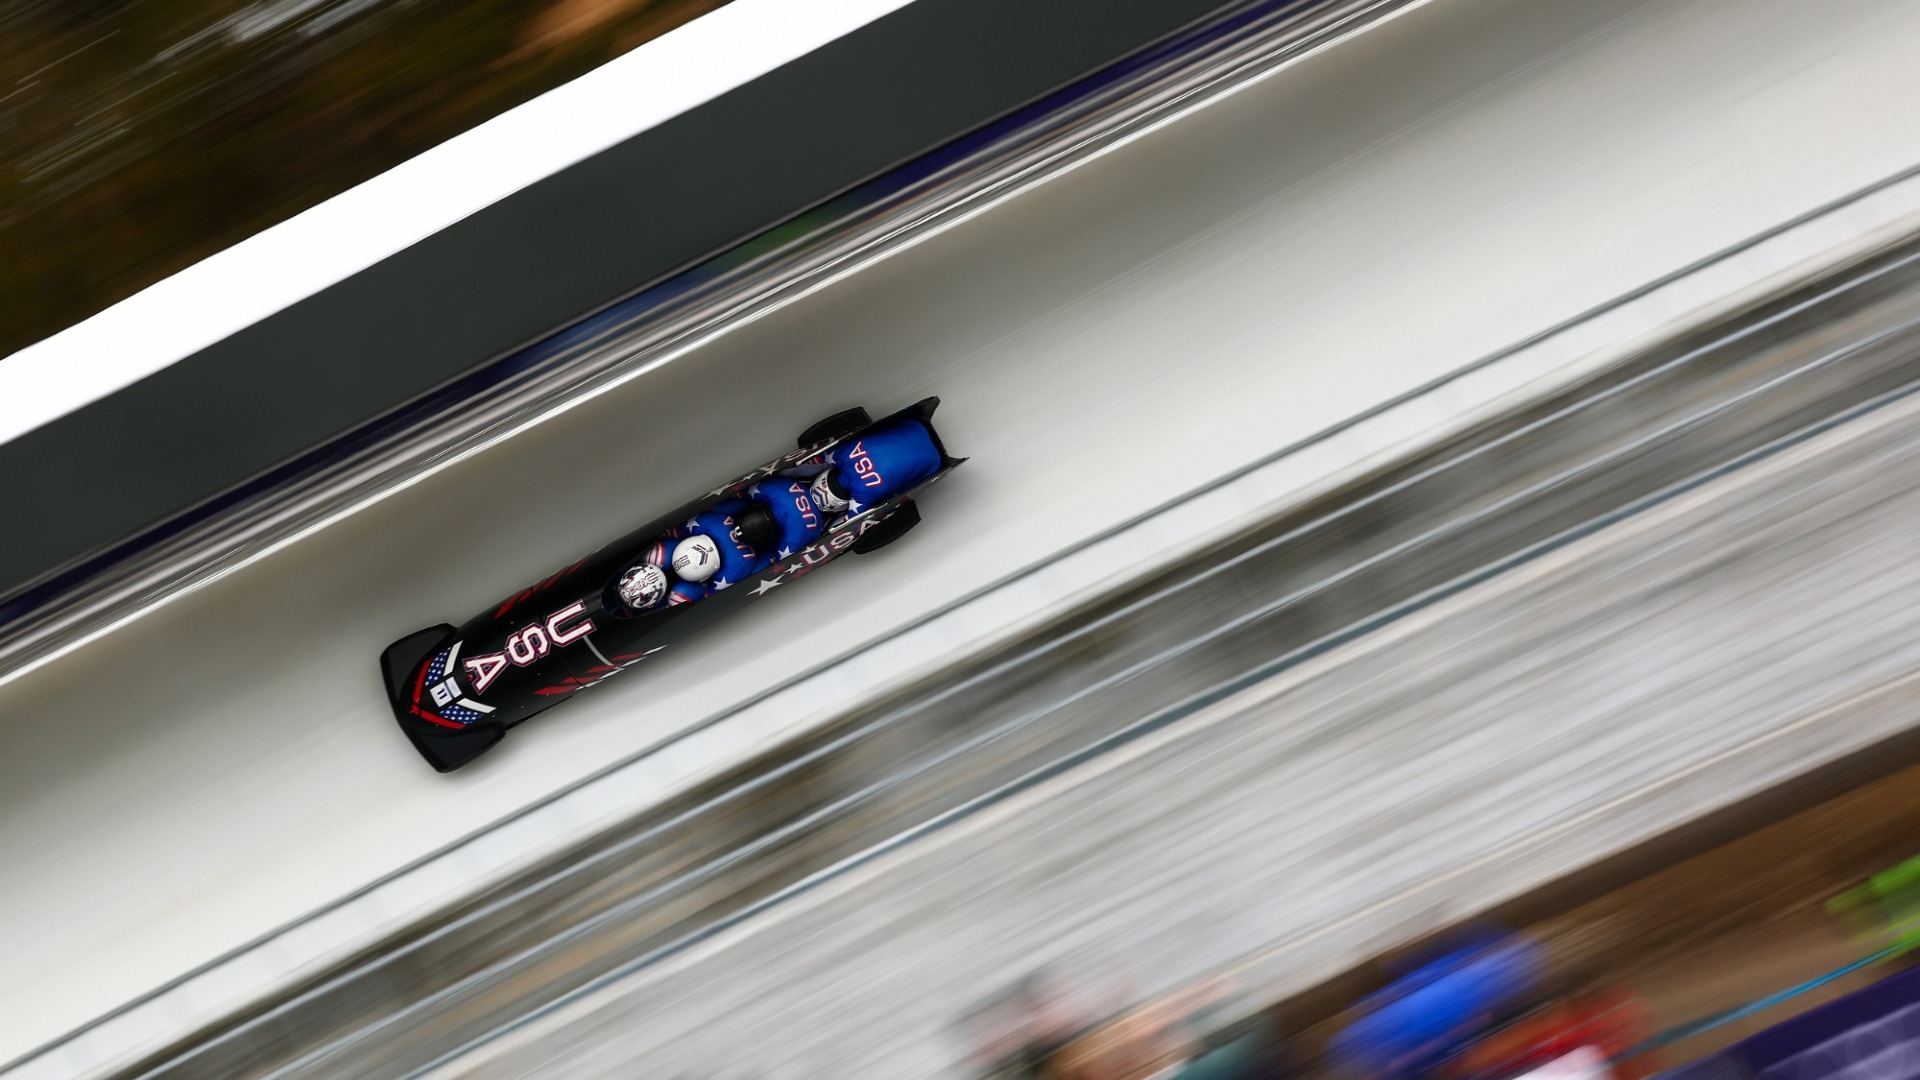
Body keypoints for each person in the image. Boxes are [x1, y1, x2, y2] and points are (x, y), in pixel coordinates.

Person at [807, 418, 943, 516]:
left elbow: (850, 524)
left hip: (934, 462)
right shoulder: (840, 453)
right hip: (913, 424)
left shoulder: (863, 496)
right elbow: (814, 460)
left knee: (893, 494)